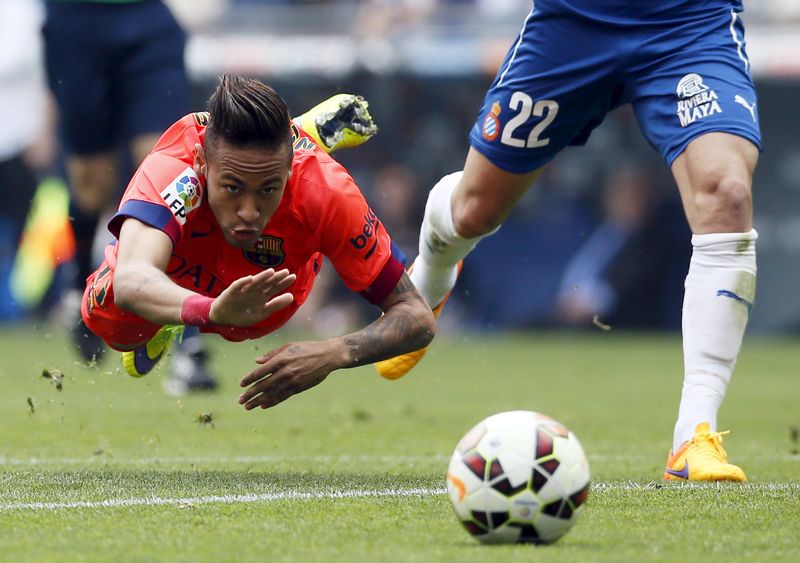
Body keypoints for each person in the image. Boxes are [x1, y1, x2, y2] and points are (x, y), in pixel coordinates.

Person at [377, 0, 760, 482]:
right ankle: (431, 275)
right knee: (475, 209)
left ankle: (695, 436)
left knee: (725, 193)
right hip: (576, 22)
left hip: (688, 22)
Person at [81, 75, 435, 410]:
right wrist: (210, 310)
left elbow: (416, 316)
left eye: (268, 189)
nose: (249, 212)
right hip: (181, 272)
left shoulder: (325, 191)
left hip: (268, 291)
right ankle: (301, 132)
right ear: (203, 164)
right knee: (105, 317)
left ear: (289, 172)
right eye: (232, 188)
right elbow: (132, 279)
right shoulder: (177, 168)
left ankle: (300, 137)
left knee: (244, 323)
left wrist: (335, 352)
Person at [41, 0, 216, 394]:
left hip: (147, 20)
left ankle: (188, 339)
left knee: (166, 166)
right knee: (91, 184)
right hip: (76, 24)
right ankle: (78, 287)